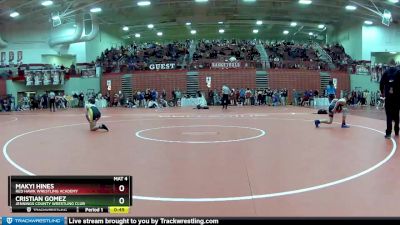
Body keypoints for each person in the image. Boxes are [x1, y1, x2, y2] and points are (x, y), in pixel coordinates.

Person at [380, 60, 400, 139]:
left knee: (389, 115)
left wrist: (382, 92)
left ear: (389, 64)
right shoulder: (399, 72)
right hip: (397, 97)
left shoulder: (385, 72)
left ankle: (388, 133)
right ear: (395, 64)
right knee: (397, 114)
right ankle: (397, 131)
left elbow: (381, 84)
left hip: (388, 97)